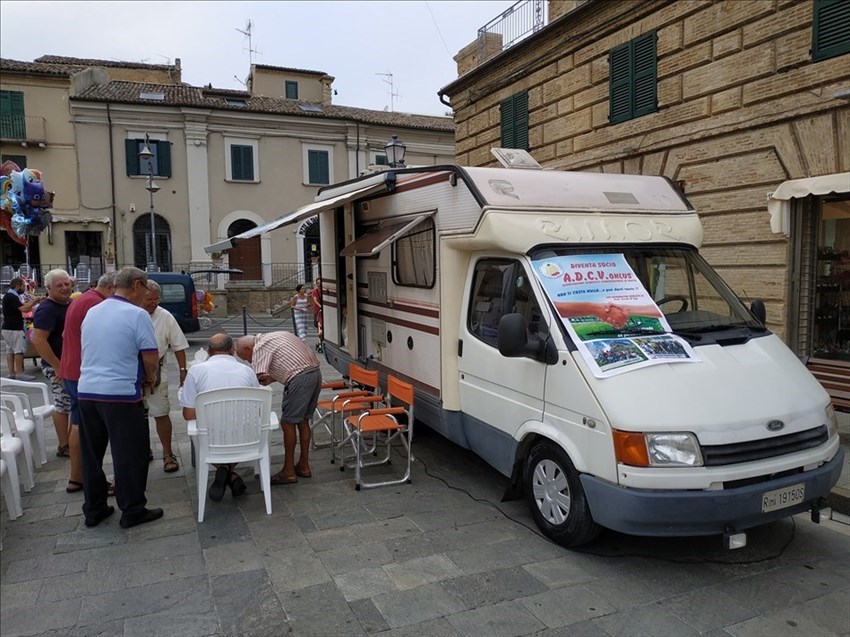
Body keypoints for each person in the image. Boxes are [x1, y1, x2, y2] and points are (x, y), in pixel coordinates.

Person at [78, 267, 162, 529]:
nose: (147, 296)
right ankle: (133, 509)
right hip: (121, 395)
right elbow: (150, 357)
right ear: (137, 285)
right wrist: (150, 378)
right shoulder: (137, 315)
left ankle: (94, 509)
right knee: (130, 453)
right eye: (146, 289)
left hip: (87, 391)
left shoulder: (94, 310)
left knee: (91, 454)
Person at [179, 333, 260, 501]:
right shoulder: (247, 371)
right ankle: (231, 474)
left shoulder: (196, 371)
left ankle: (223, 470)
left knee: (203, 433)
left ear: (209, 351)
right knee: (241, 426)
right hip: (245, 440)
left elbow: (188, 414)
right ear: (231, 350)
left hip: (212, 441)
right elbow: (256, 409)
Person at [235, 332, 321, 485]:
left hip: (300, 379)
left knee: (288, 423)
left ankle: (288, 472)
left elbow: (253, 378)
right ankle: (303, 465)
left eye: (247, 358)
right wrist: (272, 377)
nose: (249, 361)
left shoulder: (260, 347)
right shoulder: (276, 336)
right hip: (315, 373)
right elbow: (291, 361)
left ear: (249, 348)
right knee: (303, 420)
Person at [59, 271, 116, 494]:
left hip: (73, 368)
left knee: (78, 423)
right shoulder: (94, 304)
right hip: (82, 371)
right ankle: (84, 478)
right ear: (111, 287)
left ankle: (78, 477)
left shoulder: (84, 299)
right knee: (85, 428)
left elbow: (65, 335)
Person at [143, 279, 190, 474]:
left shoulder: (165, 316)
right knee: (137, 415)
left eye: (156, 299)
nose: (153, 303)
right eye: (149, 300)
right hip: (130, 371)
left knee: (161, 412)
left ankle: (168, 453)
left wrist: (182, 371)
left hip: (156, 370)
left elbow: (178, 346)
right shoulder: (130, 313)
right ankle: (142, 451)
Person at [30, 268, 73, 457]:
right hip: (57, 366)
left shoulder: (69, 303)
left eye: (66, 284)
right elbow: (38, 340)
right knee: (62, 404)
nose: (65, 288)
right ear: (48, 288)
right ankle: (64, 445)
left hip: (70, 364)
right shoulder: (47, 309)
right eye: (59, 285)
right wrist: (57, 366)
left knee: (70, 404)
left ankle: (72, 440)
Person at [2, 276, 43, 380]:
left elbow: (22, 305)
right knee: (18, 350)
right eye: (23, 286)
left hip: (7, 328)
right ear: (17, 286)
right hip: (14, 328)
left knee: (10, 350)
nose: (24, 288)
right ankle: (19, 373)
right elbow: (24, 309)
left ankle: (11, 373)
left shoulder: (10, 296)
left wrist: (36, 301)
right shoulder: (12, 297)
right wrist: (35, 302)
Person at [310, 277, 323, 351]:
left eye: (320, 283)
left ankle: (322, 340)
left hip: (323, 311)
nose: (319, 284)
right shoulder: (315, 291)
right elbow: (315, 300)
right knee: (318, 325)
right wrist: (320, 306)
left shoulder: (323, 291)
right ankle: (319, 341)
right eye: (318, 283)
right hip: (317, 311)